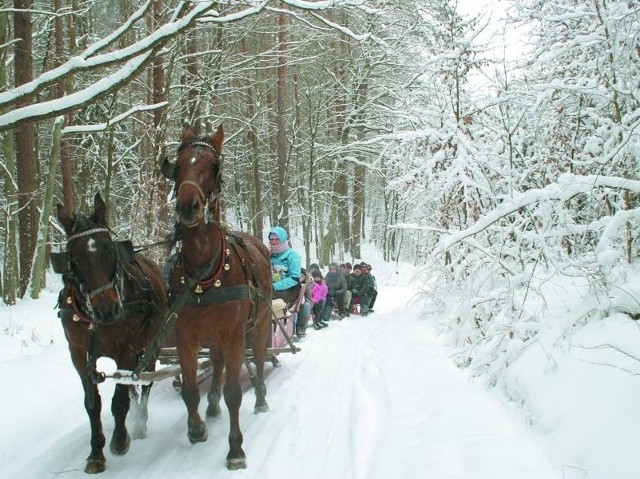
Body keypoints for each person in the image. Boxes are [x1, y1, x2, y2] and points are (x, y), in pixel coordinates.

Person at [268, 227, 302, 304]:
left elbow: (295, 278)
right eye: (271, 239)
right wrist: (266, 256)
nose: (273, 242)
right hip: (271, 288)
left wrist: (274, 286)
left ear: (283, 239)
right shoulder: (269, 255)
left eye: (277, 239)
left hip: (290, 289)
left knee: (266, 298)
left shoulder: (293, 255)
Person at [293, 268, 313, 338]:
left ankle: (300, 328)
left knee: (307, 306)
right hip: (291, 304)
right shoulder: (291, 285)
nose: (300, 278)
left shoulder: (305, 287)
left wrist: (304, 301)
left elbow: (310, 301)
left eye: (302, 276)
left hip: (301, 306)